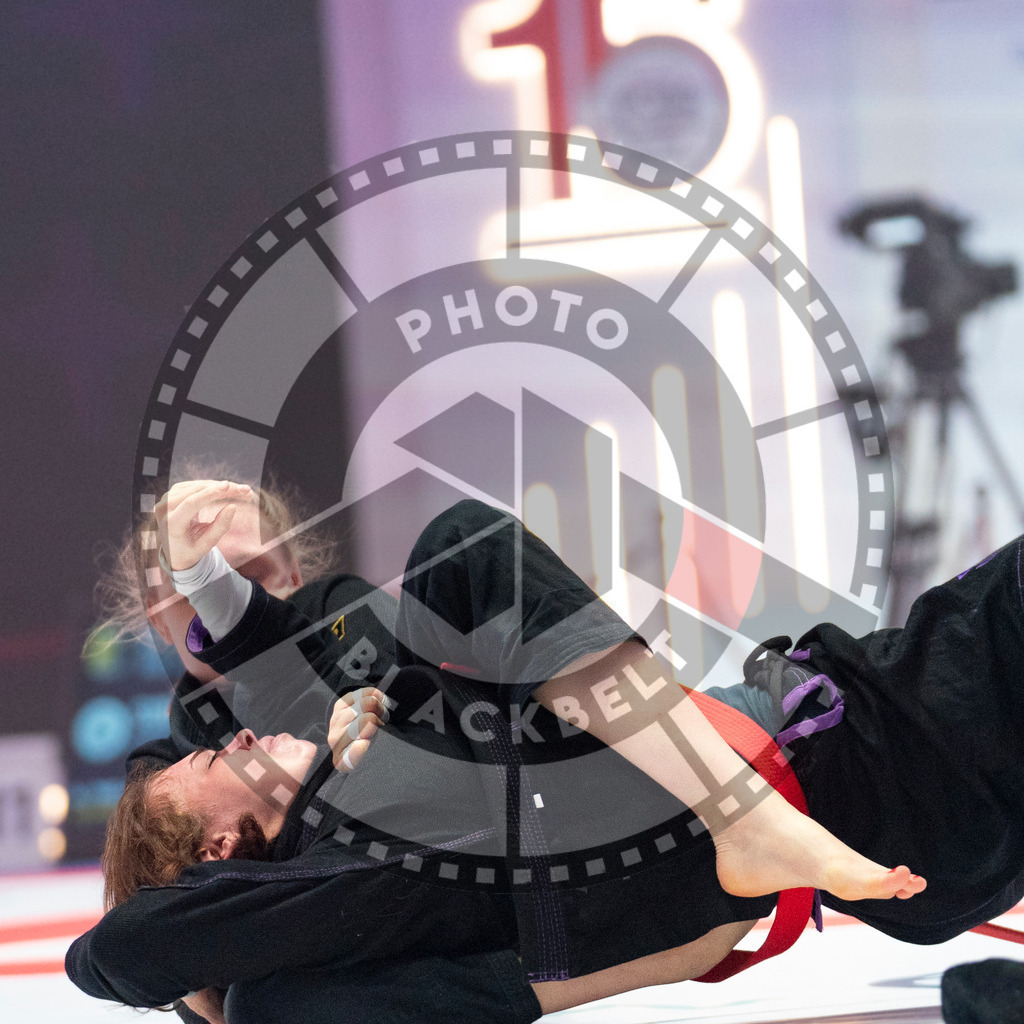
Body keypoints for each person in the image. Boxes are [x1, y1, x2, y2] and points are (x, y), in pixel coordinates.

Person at [72, 479, 1024, 1019]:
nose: (238, 736)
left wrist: (227, 600)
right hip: (863, 752)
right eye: (216, 588)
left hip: (828, 742)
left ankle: (750, 821)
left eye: (260, 575)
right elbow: (133, 940)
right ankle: (748, 821)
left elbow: (297, 667)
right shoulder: (323, 872)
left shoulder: (340, 663)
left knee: (452, 561)